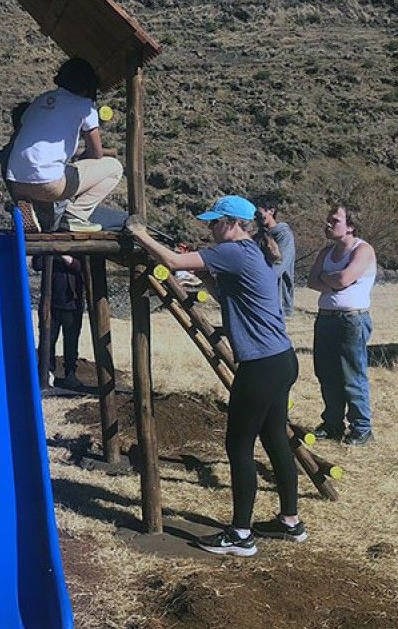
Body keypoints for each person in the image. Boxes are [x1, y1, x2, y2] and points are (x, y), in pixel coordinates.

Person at [126, 195, 305, 556]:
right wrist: (202, 280)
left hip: (260, 366)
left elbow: (174, 259)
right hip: (281, 360)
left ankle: (240, 535)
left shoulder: (234, 251)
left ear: (233, 223)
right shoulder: (251, 252)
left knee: (238, 446)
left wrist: (140, 234)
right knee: (274, 439)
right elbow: (228, 292)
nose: (209, 228)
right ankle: (290, 521)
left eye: (214, 222)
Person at [5, 58, 123, 233]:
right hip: (48, 183)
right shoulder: (85, 106)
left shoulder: (40, 100)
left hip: (15, 182)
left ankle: (29, 209)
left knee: (50, 178)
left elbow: (17, 139)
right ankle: (75, 215)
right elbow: (96, 153)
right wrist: (82, 158)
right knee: (114, 167)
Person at [307, 203, 377, 445]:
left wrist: (332, 280)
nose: (327, 223)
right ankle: (332, 424)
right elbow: (312, 281)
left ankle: (362, 428)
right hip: (325, 318)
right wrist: (333, 281)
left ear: (351, 226)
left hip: (351, 320)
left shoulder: (363, 250)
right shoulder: (326, 253)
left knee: (351, 375)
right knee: (326, 373)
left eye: (334, 220)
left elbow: (345, 277)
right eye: (328, 219)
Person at [33, 255, 86, 390]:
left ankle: (70, 374)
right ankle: (47, 372)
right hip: (50, 304)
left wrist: (66, 258)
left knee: (71, 341)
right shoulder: (48, 249)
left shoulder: (78, 248)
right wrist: (51, 253)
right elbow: (37, 264)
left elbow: (82, 267)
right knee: (48, 340)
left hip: (72, 303)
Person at [252, 193, 296, 316]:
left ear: (271, 211)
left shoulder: (284, 235)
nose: (257, 217)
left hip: (277, 300)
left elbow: (279, 266)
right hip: (259, 298)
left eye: (259, 213)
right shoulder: (257, 237)